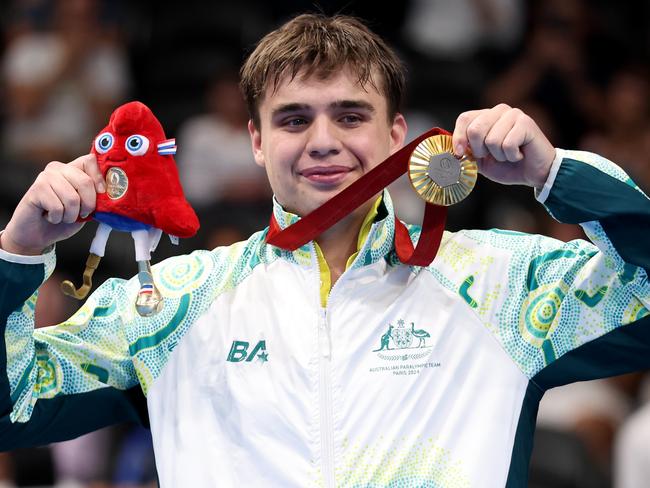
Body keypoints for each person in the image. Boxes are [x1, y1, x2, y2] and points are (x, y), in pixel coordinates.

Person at [0, 13, 648, 488]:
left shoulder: (502, 286)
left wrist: (557, 174)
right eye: (292, 119)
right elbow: (15, 405)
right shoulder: (173, 307)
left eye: (349, 115)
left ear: (399, 133)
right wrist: (17, 256)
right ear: (255, 140)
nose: (321, 141)